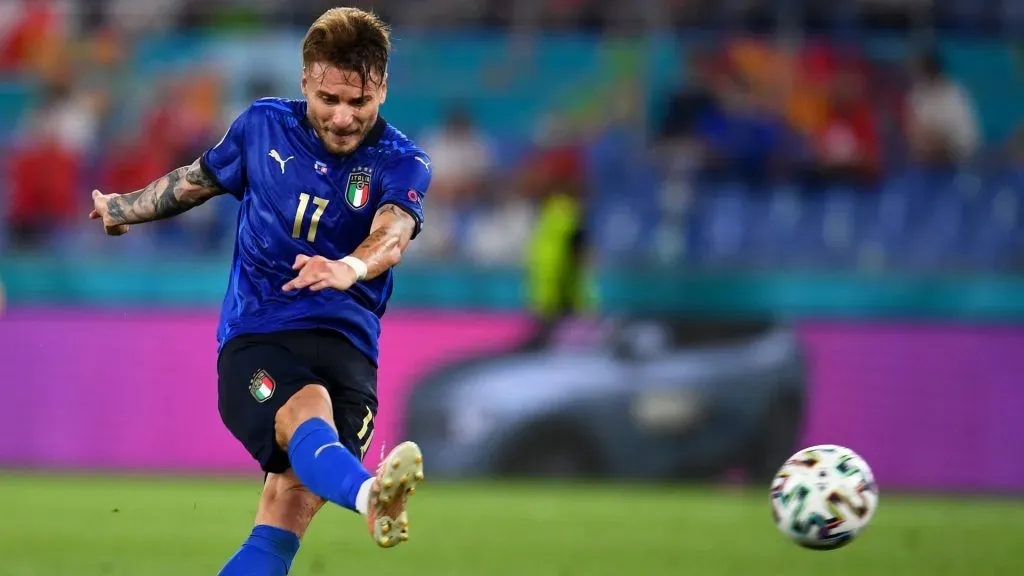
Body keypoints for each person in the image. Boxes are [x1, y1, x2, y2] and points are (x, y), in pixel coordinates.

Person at [88, 8, 430, 575]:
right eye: (329, 99)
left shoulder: (403, 161)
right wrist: (121, 208)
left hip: (351, 353)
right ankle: (372, 498)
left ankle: (366, 497)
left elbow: (392, 234)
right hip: (261, 334)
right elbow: (195, 182)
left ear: (383, 90)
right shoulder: (263, 127)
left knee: (282, 514)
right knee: (306, 409)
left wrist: (347, 267)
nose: (343, 117)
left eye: (359, 103)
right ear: (304, 82)